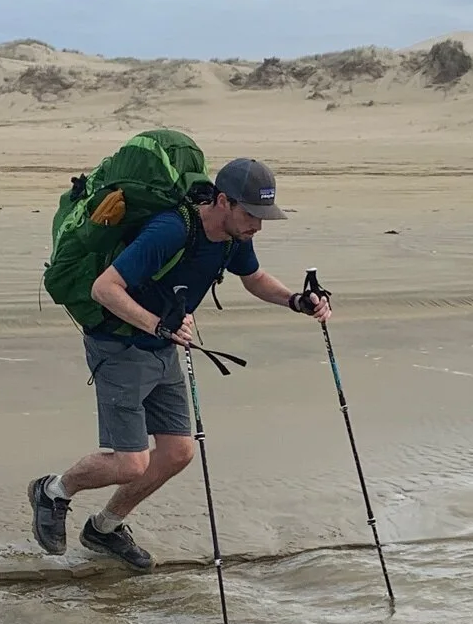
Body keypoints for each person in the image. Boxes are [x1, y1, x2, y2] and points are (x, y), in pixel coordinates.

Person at [28, 155, 332, 571]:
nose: (257, 225)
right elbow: (104, 288)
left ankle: (105, 527)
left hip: (163, 344)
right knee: (130, 462)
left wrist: (296, 300)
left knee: (177, 453)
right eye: (251, 214)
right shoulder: (171, 229)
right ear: (223, 201)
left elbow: (254, 278)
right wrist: (157, 325)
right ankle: (53, 491)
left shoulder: (233, 237)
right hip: (119, 344)